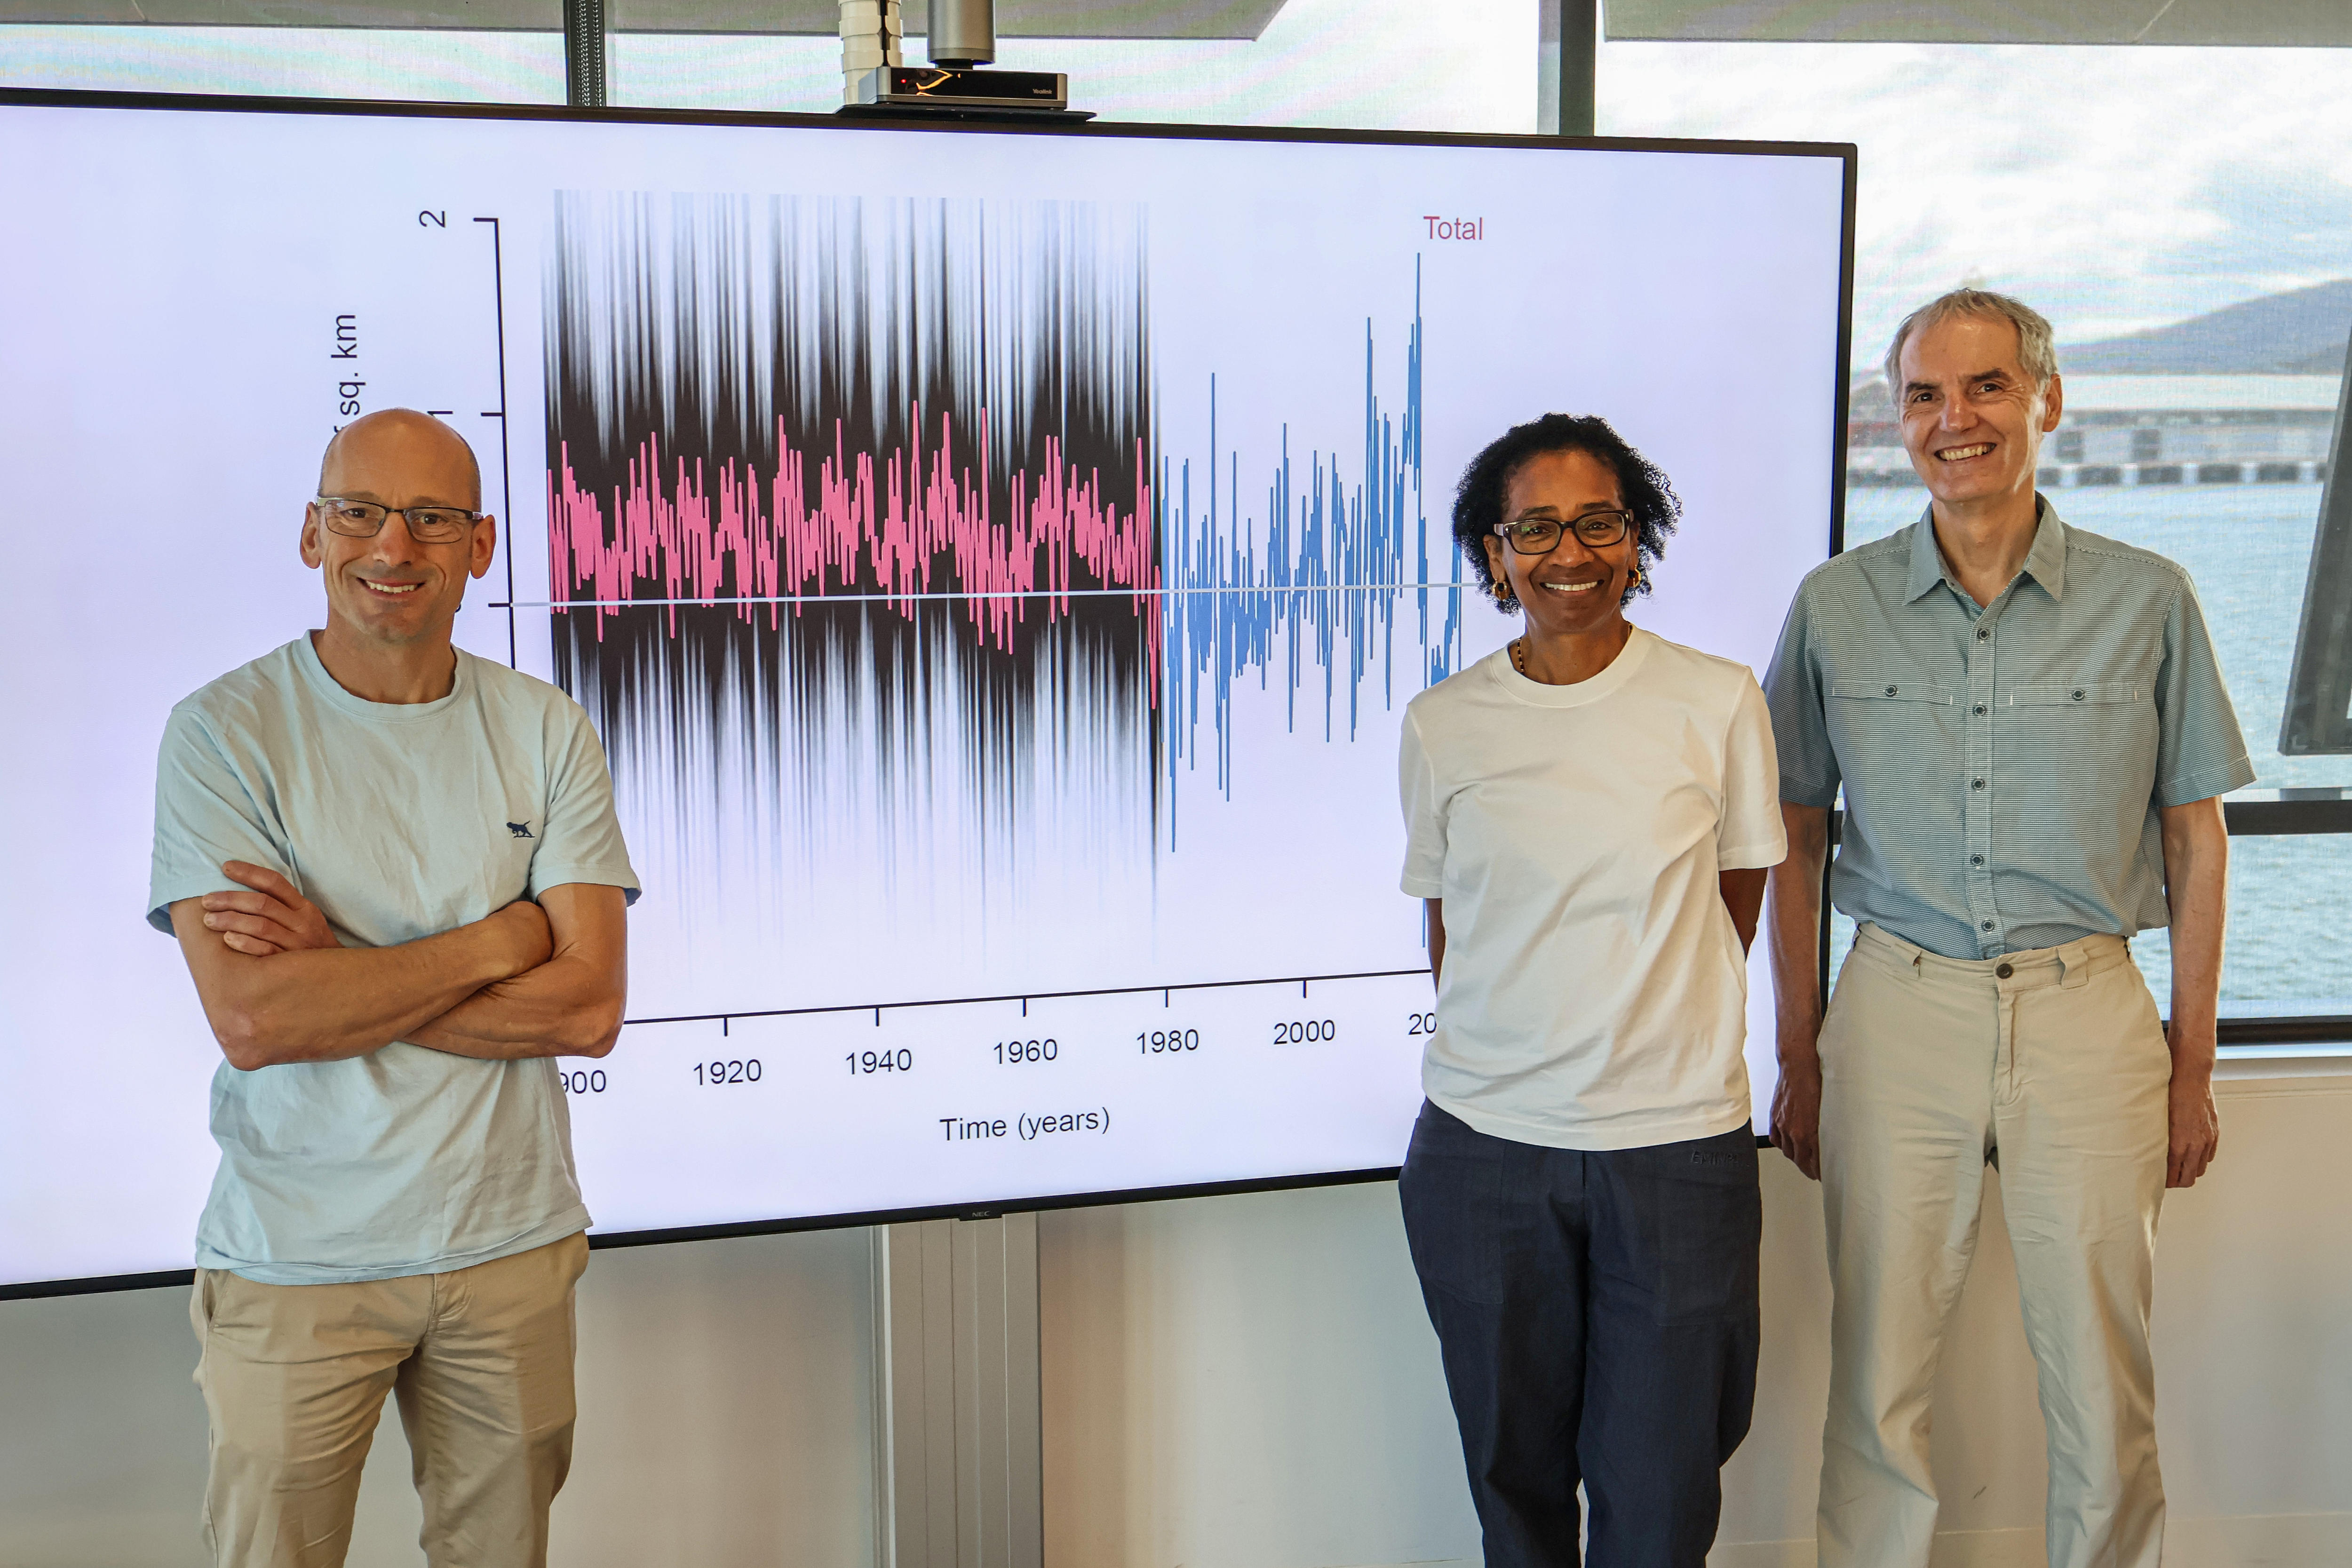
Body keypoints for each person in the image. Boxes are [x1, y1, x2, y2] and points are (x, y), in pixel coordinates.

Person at [1761, 290, 2249, 1568]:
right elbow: (1794, 834)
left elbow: (2197, 841)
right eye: (1924, 395)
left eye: (1984, 386)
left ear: (2048, 400)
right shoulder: (1835, 603)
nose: (1954, 419)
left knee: (2101, 1373)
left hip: (2089, 1007)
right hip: (1896, 1003)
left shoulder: (2149, 598)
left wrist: (2192, 1061)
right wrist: (1799, 1048)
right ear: (1898, 418)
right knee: (1876, 1371)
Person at [149, 409, 640, 1568]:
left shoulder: (546, 728)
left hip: (511, 1241)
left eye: (431, 518)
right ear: (311, 533)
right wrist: (504, 936)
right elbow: (258, 1017)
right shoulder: (222, 734)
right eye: (360, 512)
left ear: (482, 544)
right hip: (298, 1258)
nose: (392, 546)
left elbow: (587, 1011)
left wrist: (339, 962)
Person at [1395, 413, 1788, 1567]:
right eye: (1536, 528)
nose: (1571, 552)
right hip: (1483, 1150)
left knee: (1661, 1490)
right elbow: (1449, 920)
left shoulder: (1717, 700)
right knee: (1511, 1481)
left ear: (1637, 537)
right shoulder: (1443, 722)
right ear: (1494, 551)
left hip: (1674, 1147)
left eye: (1599, 522)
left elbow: (1734, 901)